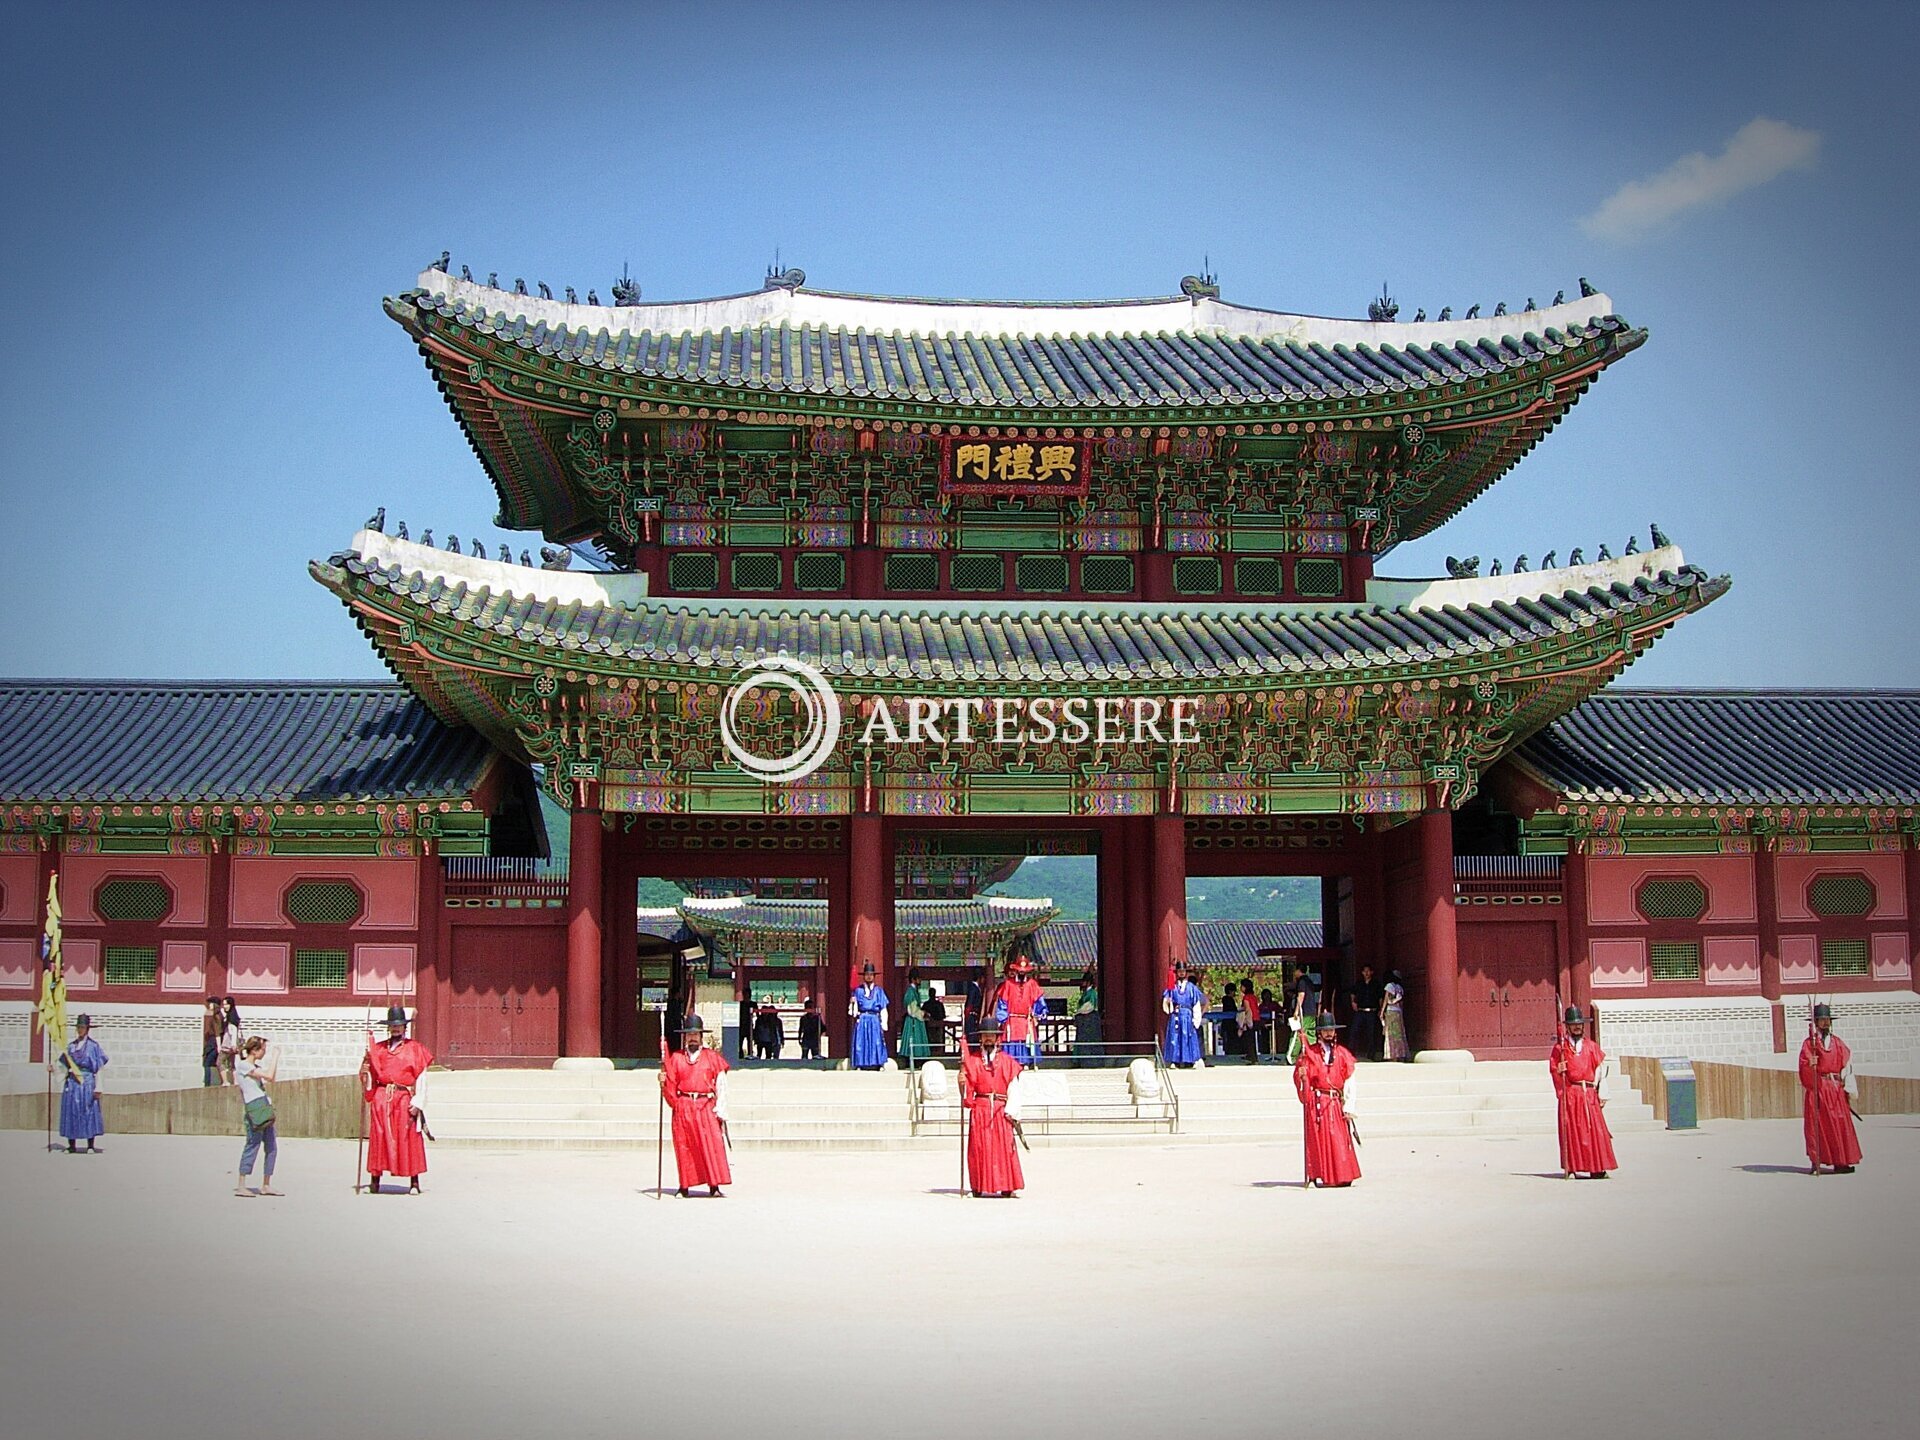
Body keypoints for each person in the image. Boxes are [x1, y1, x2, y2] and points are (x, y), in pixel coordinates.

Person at [361, 1004, 433, 1195]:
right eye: (392, 1025)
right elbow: (371, 1076)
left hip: (403, 1098)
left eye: (399, 1025)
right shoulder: (379, 1050)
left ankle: (414, 1182)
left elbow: (422, 1078)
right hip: (382, 1098)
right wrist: (366, 1068)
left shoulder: (415, 1049)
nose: (395, 1028)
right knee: (379, 1137)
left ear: (404, 1027)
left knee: (408, 1138)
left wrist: (418, 1102)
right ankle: (375, 1181)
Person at [661, 1016, 731, 1196]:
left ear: (701, 1036)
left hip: (705, 1104)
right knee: (684, 1147)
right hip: (684, 1104)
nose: (692, 1038)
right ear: (685, 1037)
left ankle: (713, 1185)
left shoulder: (712, 1057)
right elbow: (671, 1084)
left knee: (710, 1145)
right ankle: (684, 1185)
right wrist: (663, 1083)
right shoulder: (676, 1058)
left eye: (695, 1034)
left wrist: (720, 1110)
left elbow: (721, 1084)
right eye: (689, 1034)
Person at [1294, 1012, 1360, 1188]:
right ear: (1319, 1033)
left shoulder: (1342, 1054)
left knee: (1338, 1139)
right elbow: (1304, 1075)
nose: (1329, 1033)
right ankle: (1319, 1173)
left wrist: (1349, 1105)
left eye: (1331, 1029)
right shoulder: (1311, 1053)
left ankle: (1342, 1174)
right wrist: (1302, 1076)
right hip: (1318, 1102)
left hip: (1335, 1103)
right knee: (1319, 1140)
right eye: (1325, 1030)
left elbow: (1349, 1080)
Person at [1550, 1007, 1617, 1180]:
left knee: (1594, 1132)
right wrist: (1559, 1071)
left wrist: (1602, 1093)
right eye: (1574, 1025)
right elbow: (1554, 1070)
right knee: (1572, 1131)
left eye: (1579, 1024)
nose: (1577, 1027)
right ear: (1568, 1027)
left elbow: (1601, 1071)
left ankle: (1597, 1168)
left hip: (1588, 1093)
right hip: (1571, 1092)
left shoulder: (1591, 1047)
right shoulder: (1560, 1048)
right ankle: (1572, 1167)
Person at [961, 1018, 1023, 1197]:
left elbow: (1014, 1088)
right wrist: (962, 1084)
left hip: (1000, 1110)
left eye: (992, 1036)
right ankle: (979, 1186)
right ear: (980, 1038)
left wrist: (1011, 1111)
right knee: (980, 1149)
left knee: (1004, 1148)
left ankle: (1007, 1186)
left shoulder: (1008, 1062)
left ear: (998, 1039)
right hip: (980, 1110)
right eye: (985, 1036)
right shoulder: (972, 1061)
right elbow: (968, 1092)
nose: (988, 1039)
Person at [1798, 1003, 1862, 1175]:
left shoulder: (1837, 1043)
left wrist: (1848, 1086)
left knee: (1839, 1123)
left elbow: (1846, 1065)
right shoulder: (1809, 1044)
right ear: (1816, 1022)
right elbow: (1803, 1065)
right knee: (1817, 1125)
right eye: (1821, 1020)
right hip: (1818, 1087)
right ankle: (1816, 1161)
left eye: (1827, 1020)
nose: (1825, 1023)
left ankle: (1841, 1161)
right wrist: (1810, 1065)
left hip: (1835, 1089)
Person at [233, 1035, 282, 1197]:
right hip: (254, 1109)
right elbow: (269, 1076)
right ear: (254, 1050)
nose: (264, 1053)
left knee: (271, 1147)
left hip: (262, 1107)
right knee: (252, 1145)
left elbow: (270, 1077)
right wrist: (275, 1057)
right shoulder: (243, 1066)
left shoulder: (253, 1066)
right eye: (262, 1049)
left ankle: (266, 1184)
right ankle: (242, 1184)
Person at [59, 1014, 108, 1154]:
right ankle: (71, 1144)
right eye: (78, 1027)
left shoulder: (93, 1047)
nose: (80, 1030)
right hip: (73, 1083)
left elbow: (98, 1067)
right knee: (71, 1111)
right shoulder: (71, 1046)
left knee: (89, 1111)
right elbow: (63, 1065)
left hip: (87, 1082)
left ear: (87, 1029)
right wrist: (54, 1069)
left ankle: (90, 1144)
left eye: (83, 1027)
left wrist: (99, 1087)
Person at [992, 952, 1048, 1066]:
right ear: (1016, 970)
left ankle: (1028, 1062)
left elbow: (1039, 1002)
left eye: (1024, 971)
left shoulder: (1032, 984)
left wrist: (1040, 1013)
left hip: (1027, 1020)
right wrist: (1002, 1019)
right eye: (1020, 970)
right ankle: (1011, 1063)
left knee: (1027, 1040)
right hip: (1011, 1021)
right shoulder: (1008, 984)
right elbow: (1002, 1004)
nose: (1022, 972)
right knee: (1011, 1040)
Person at [1161, 964, 1204, 1068]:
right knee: (1174, 1037)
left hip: (1188, 1015)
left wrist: (1196, 1019)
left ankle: (1190, 1060)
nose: (1181, 973)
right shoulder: (1172, 987)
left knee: (1188, 1036)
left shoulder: (1191, 987)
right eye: (1179, 971)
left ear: (1186, 972)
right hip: (1176, 1014)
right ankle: (1174, 1060)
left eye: (1183, 971)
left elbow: (1196, 1004)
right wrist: (1168, 1004)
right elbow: (1166, 1001)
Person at [850, 964, 890, 1070]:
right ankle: (860, 1063)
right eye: (867, 974)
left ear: (874, 976)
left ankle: (879, 1063)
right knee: (860, 1042)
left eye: (871, 974)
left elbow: (883, 1008)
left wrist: (884, 1022)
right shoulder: (858, 991)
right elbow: (853, 1012)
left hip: (875, 1019)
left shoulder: (879, 991)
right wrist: (853, 1003)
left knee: (877, 1041)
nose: (869, 976)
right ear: (864, 976)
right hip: (862, 1018)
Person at [1347, 964, 1383, 1062]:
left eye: (1368, 971)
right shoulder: (1359, 983)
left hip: (1372, 1011)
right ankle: (1351, 1053)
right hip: (1360, 1011)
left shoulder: (1376, 984)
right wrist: (1353, 1002)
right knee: (1354, 1031)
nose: (1366, 973)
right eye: (1365, 971)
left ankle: (1371, 1054)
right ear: (1362, 973)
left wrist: (1381, 1009)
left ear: (1371, 972)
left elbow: (1380, 997)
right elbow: (1352, 993)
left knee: (1371, 1033)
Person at [899, 976, 930, 1065]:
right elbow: (912, 1009)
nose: (920, 980)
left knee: (917, 1038)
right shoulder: (910, 991)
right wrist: (922, 1014)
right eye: (918, 978)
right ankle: (913, 1060)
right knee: (914, 1038)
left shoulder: (914, 990)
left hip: (917, 1018)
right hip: (913, 1019)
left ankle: (917, 1060)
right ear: (913, 979)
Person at [1381, 971, 1411, 1062]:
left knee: (1391, 1033)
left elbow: (1386, 998)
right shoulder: (1400, 988)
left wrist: (1382, 1011)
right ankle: (1401, 1054)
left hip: (1391, 1011)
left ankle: (1393, 1055)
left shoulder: (1390, 986)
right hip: (1398, 1012)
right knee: (1399, 1034)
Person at [1072, 969, 1100, 1065]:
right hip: (1084, 1020)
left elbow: (1089, 1006)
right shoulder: (1086, 993)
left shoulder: (1092, 993)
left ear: (1088, 982)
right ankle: (1080, 1060)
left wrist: (1078, 1012)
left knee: (1088, 1041)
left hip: (1089, 1019)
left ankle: (1089, 1061)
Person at [218, 997, 243, 1085]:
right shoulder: (233, 1016)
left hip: (228, 1045)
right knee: (233, 1064)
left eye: (226, 1004)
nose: (224, 1006)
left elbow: (234, 1031)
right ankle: (236, 1082)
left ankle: (225, 1081)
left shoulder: (231, 1017)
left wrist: (233, 1044)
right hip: (233, 1045)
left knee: (220, 1062)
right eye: (223, 1004)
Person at [1238, 979, 1262, 1065]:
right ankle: (1252, 1057)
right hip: (1257, 1018)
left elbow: (1247, 1010)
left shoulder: (1246, 998)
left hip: (1250, 1019)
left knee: (1250, 1040)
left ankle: (1253, 1058)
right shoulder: (1254, 997)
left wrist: (1244, 1022)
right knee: (1253, 1039)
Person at [921, 986, 948, 1058]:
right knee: (938, 1039)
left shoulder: (926, 1004)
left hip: (929, 1026)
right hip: (938, 1025)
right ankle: (940, 1052)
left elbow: (923, 1015)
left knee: (930, 1040)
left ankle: (930, 1052)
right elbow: (943, 1015)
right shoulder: (939, 1004)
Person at [201, 998, 223, 1087]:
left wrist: (218, 1046)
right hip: (211, 1042)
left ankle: (208, 1082)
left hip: (213, 1043)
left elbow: (217, 1032)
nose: (209, 1005)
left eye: (210, 1003)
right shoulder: (216, 1015)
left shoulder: (216, 1017)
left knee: (207, 1063)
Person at [797, 996, 824, 1061]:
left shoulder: (817, 1018)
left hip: (814, 1038)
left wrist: (818, 1035)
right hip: (806, 1038)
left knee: (815, 1056)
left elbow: (823, 1028)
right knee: (804, 1057)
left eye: (810, 1007)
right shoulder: (803, 1018)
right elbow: (800, 1029)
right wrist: (799, 1038)